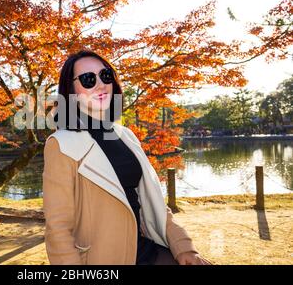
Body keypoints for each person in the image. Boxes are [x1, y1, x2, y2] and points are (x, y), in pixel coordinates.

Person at [42, 49, 212, 265]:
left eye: (105, 76)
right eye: (87, 79)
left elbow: (154, 203)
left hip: (147, 251)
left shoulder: (125, 135)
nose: (101, 84)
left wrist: (184, 247)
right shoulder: (61, 144)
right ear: (71, 90)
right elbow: (58, 228)